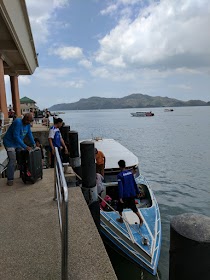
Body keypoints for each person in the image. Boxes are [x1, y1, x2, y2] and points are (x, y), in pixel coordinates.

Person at [3, 113, 35, 186]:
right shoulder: (18, 122)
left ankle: (23, 174)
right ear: (25, 119)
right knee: (13, 160)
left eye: (30, 122)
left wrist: (34, 144)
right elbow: (16, 136)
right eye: (28, 121)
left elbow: (29, 134)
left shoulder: (27, 125)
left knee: (22, 158)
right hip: (9, 142)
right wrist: (25, 146)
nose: (29, 123)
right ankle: (10, 179)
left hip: (18, 143)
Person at [116, 159, 143, 226]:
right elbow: (134, 183)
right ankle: (141, 219)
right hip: (131, 194)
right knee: (134, 208)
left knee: (120, 207)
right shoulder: (130, 173)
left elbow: (120, 187)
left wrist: (120, 197)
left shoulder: (120, 175)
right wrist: (137, 191)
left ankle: (121, 219)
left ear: (119, 166)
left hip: (125, 195)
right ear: (125, 165)